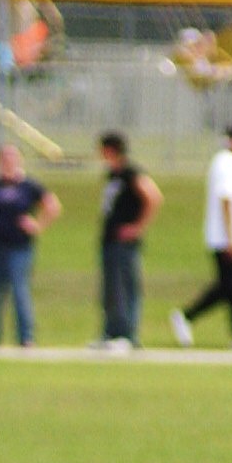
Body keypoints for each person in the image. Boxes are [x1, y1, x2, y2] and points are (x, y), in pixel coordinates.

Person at [171, 126, 232, 353]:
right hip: (230, 238)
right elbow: (226, 199)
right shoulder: (226, 163)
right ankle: (187, 316)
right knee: (231, 286)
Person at [0, 142, 56, 350]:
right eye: (4, 158)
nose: (8, 162)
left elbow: (52, 205)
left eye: (12, 157)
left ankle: (26, 337)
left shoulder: (28, 186)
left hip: (18, 247)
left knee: (19, 290)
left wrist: (38, 225)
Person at [92, 132, 160, 351]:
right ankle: (110, 331)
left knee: (124, 287)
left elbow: (153, 197)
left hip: (124, 242)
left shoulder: (131, 172)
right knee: (110, 288)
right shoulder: (113, 175)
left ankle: (126, 334)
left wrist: (137, 227)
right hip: (110, 239)